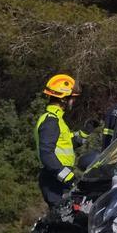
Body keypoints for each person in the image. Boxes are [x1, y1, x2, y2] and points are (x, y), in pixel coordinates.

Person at [34, 73, 83, 206]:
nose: (74, 101)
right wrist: (68, 177)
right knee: (61, 219)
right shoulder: (51, 121)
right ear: (63, 99)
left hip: (57, 176)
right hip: (54, 179)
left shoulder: (56, 119)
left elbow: (64, 142)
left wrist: (84, 134)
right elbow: (47, 154)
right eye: (72, 98)